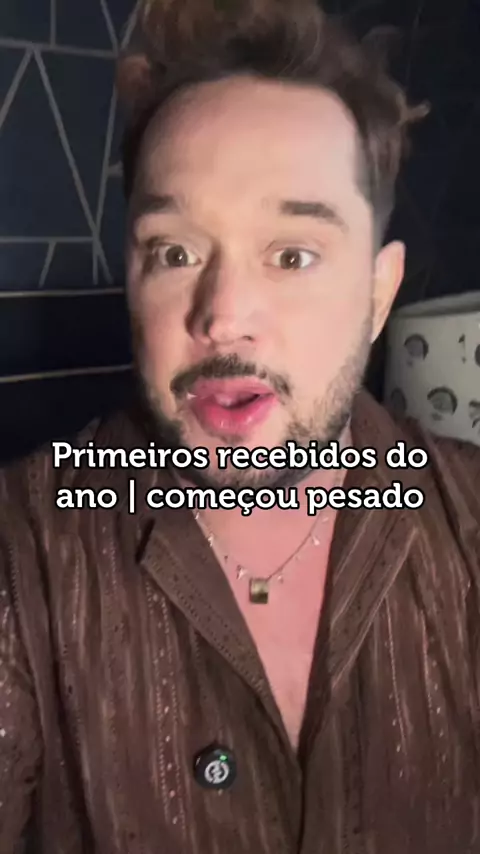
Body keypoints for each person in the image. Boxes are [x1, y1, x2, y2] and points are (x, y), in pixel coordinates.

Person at [1, 0, 479, 851]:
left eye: (292, 254)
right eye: (175, 252)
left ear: (378, 294)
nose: (222, 317)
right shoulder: (23, 546)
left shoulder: (468, 521)